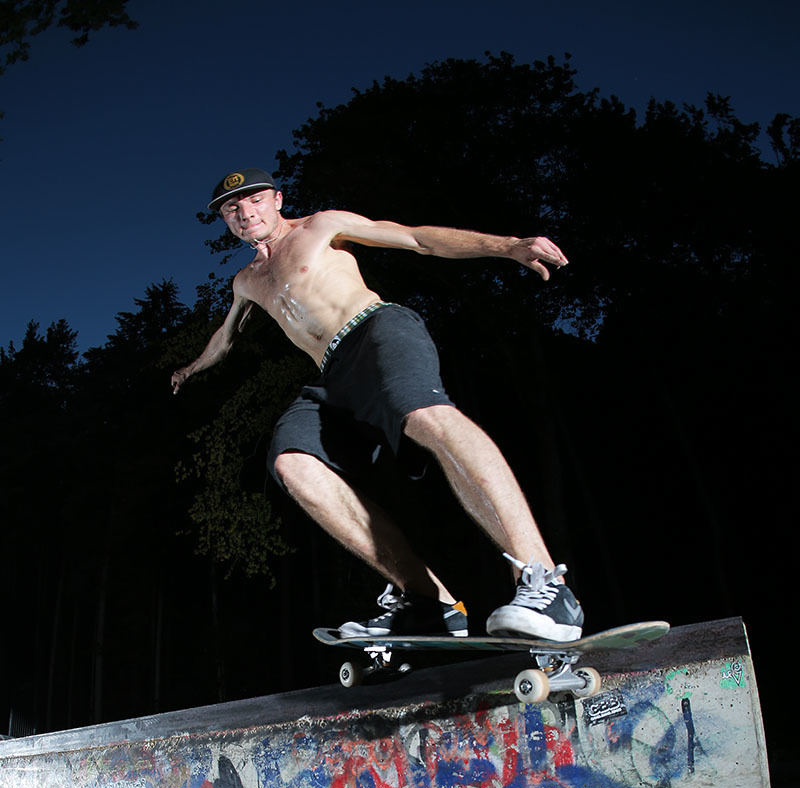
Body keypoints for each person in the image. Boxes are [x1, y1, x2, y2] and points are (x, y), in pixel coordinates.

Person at [172, 168, 584, 642]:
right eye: (232, 209)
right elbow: (224, 339)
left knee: (426, 417)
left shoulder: (321, 226)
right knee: (292, 463)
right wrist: (190, 368)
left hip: (375, 332)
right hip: (332, 372)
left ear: (278, 200)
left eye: (255, 200)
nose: (245, 213)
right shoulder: (246, 281)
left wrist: (507, 245)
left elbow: (415, 238)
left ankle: (545, 582)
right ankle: (430, 603)